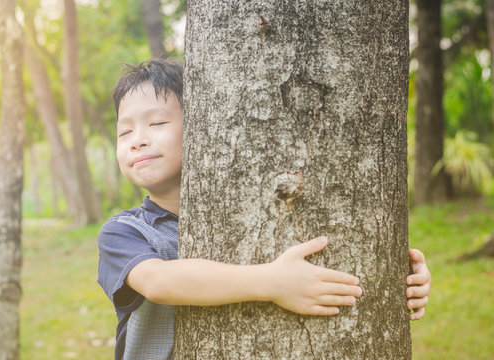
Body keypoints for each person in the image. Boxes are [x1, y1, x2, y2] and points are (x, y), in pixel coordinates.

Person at [97, 59, 432, 360]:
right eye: (124, 131)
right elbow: (160, 282)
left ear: (202, 128)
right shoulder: (125, 231)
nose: (136, 140)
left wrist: (396, 278)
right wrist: (272, 282)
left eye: (156, 123)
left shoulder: (247, 212)